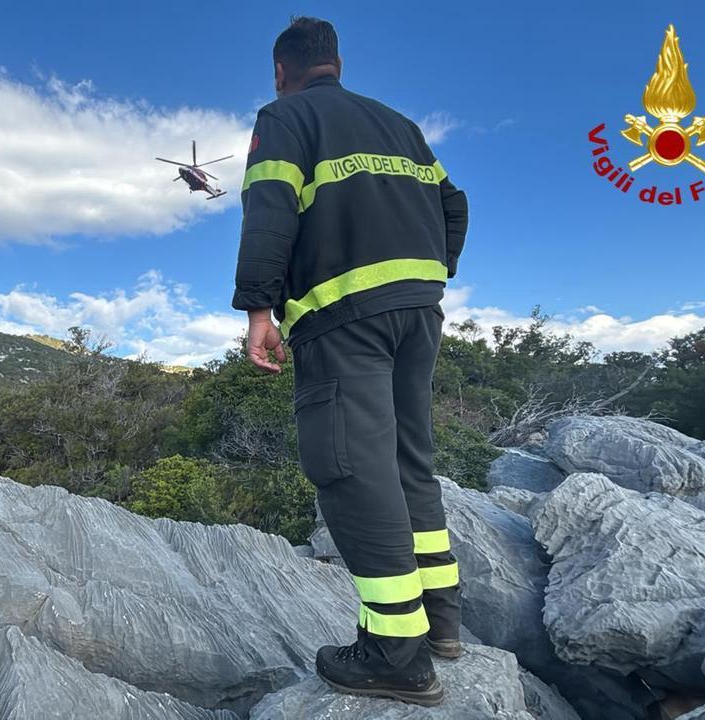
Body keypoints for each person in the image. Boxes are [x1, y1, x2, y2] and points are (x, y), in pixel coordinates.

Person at [231, 17, 469, 705]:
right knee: (407, 458)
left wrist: (258, 309)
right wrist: (431, 271)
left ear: (283, 72)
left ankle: (395, 654)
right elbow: (455, 203)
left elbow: (269, 208)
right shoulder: (398, 124)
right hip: (417, 311)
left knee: (347, 465)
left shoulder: (284, 118)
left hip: (343, 318)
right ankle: (442, 622)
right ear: (337, 62)